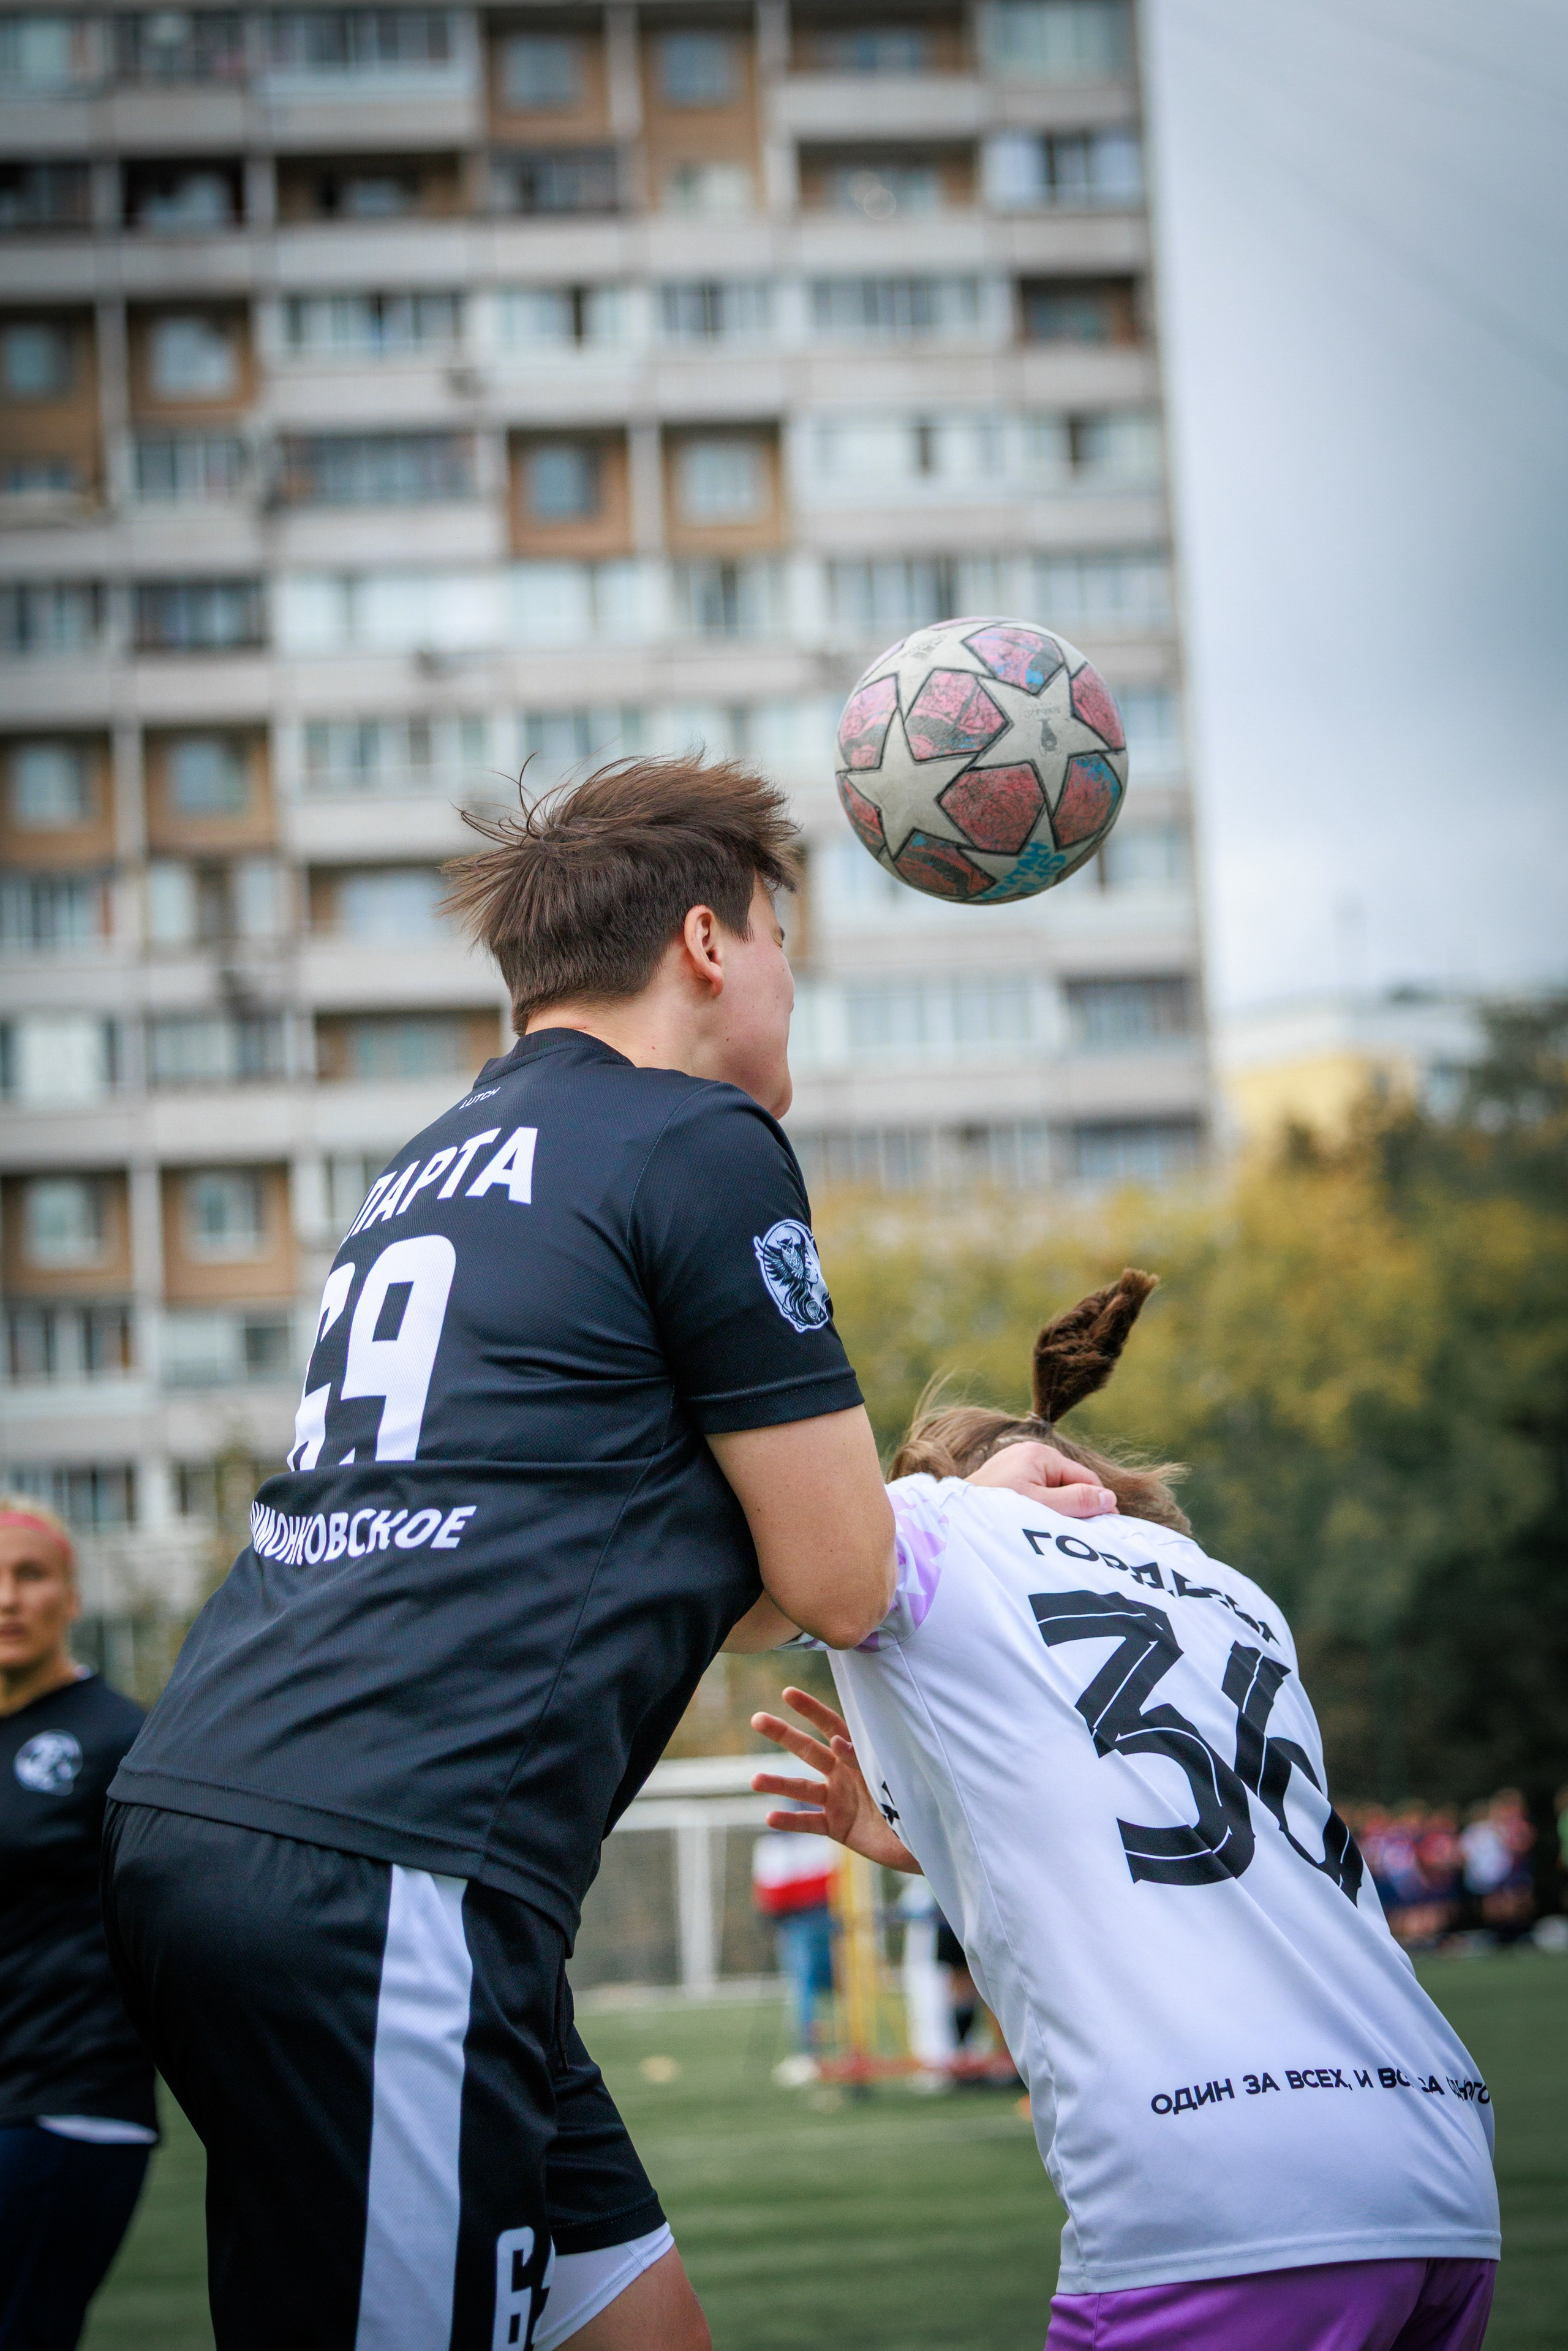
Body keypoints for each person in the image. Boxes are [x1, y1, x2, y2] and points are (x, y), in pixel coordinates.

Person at [101, 757, 1116, 2351]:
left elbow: (688, 1572)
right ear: (709, 941)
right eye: (785, 937)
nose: (791, 980)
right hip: (391, 1864)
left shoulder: (428, 1162)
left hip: (250, 1810)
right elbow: (844, 1583)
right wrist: (991, 1501)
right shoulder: (697, 1138)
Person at [752, 1270, 1500, 2351]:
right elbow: (1169, 1817)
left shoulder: (938, 1524)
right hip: (1437, 2157)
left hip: (1233, 2183)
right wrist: (922, 1836)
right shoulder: (1228, 1588)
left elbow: (776, 1574)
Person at [0, 1495, 156, 2350]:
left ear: (71, 1597)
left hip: (69, 2104)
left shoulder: (121, 1738)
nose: (7, 1598)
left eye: (30, 1576)